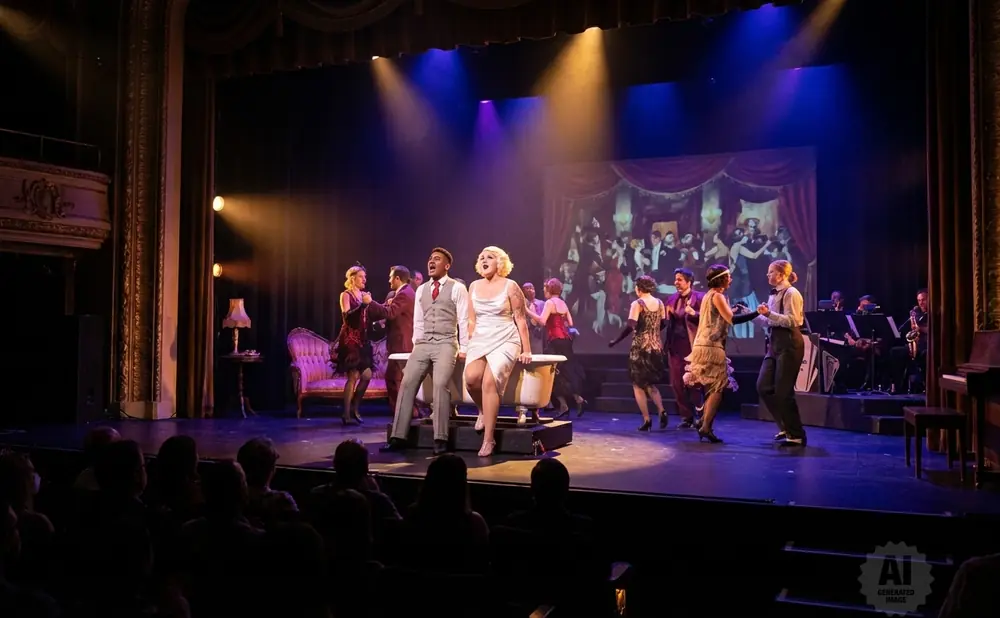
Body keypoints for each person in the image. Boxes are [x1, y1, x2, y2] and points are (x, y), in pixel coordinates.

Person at [381, 248, 470, 455]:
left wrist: (464, 347)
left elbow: (464, 320)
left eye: (437, 259)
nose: (431, 262)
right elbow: (418, 320)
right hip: (423, 344)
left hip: (446, 342)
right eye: (430, 259)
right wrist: (416, 343)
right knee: (406, 382)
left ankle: (440, 438)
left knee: (440, 385)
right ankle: (398, 437)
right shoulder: (421, 289)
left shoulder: (457, 288)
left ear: (447, 266)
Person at [465, 246, 532, 457]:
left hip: (506, 338)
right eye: (482, 257)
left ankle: (489, 439)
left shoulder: (511, 286)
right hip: (481, 337)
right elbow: (471, 319)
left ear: (500, 262)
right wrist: (467, 343)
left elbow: (521, 319)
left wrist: (527, 349)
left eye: (490, 257)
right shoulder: (474, 286)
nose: (484, 260)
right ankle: (483, 411)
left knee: (488, 382)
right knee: (471, 378)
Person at [682, 264, 759, 443]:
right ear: (722, 279)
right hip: (711, 346)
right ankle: (706, 426)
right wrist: (756, 313)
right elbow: (731, 320)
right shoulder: (718, 296)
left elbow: (718, 316)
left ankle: (704, 422)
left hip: (702, 344)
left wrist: (733, 309)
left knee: (712, 386)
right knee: (718, 387)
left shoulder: (709, 296)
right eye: (729, 276)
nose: (731, 279)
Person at [756, 259, 807, 446]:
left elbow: (794, 320)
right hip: (775, 343)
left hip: (789, 343)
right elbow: (769, 321)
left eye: (771, 272)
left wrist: (768, 314)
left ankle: (797, 434)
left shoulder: (791, 293)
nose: (767, 275)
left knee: (784, 392)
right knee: (763, 386)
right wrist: (753, 314)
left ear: (781, 274)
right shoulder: (774, 294)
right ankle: (785, 426)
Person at [608, 275, 668, 431]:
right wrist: (653, 332)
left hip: (640, 348)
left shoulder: (638, 303)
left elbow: (630, 326)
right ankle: (661, 410)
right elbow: (664, 323)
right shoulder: (660, 303)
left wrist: (616, 341)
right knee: (651, 384)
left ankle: (647, 419)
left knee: (637, 385)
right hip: (656, 348)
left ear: (639, 288)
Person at [526, 278, 586, 418]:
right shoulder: (563, 303)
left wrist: (527, 311)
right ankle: (575, 400)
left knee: (553, 373)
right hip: (565, 341)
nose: (543, 291)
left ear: (549, 289)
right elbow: (570, 323)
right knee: (566, 371)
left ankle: (566, 404)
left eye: (545, 288)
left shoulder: (550, 302)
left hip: (555, 342)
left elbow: (541, 321)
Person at [367, 266, 416, 415]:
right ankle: (407, 411)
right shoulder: (403, 293)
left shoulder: (405, 293)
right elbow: (393, 313)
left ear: (397, 278)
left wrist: (370, 302)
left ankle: (404, 412)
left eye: (390, 277)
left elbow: (391, 312)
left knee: (396, 379)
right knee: (395, 379)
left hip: (402, 343)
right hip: (400, 341)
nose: (388, 281)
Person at [663, 267, 704, 429]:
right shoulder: (671, 299)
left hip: (691, 346)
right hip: (675, 347)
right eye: (675, 279)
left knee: (693, 383)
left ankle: (701, 415)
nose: (676, 283)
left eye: (679, 279)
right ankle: (686, 417)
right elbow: (666, 322)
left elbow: (707, 318)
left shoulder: (700, 297)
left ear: (689, 282)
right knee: (676, 384)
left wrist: (693, 312)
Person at [335, 264, 373, 425]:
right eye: (361, 276)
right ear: (352, 278)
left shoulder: (364, 295)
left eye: (365, 277)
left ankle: (355, 407)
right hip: (350, 341)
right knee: (353, 376)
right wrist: (363, 305)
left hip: (362, 341)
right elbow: (347, 317)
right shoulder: (346, 294)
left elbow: (368, 317)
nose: (364, 279)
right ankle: (346, 414)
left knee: (367, 375)